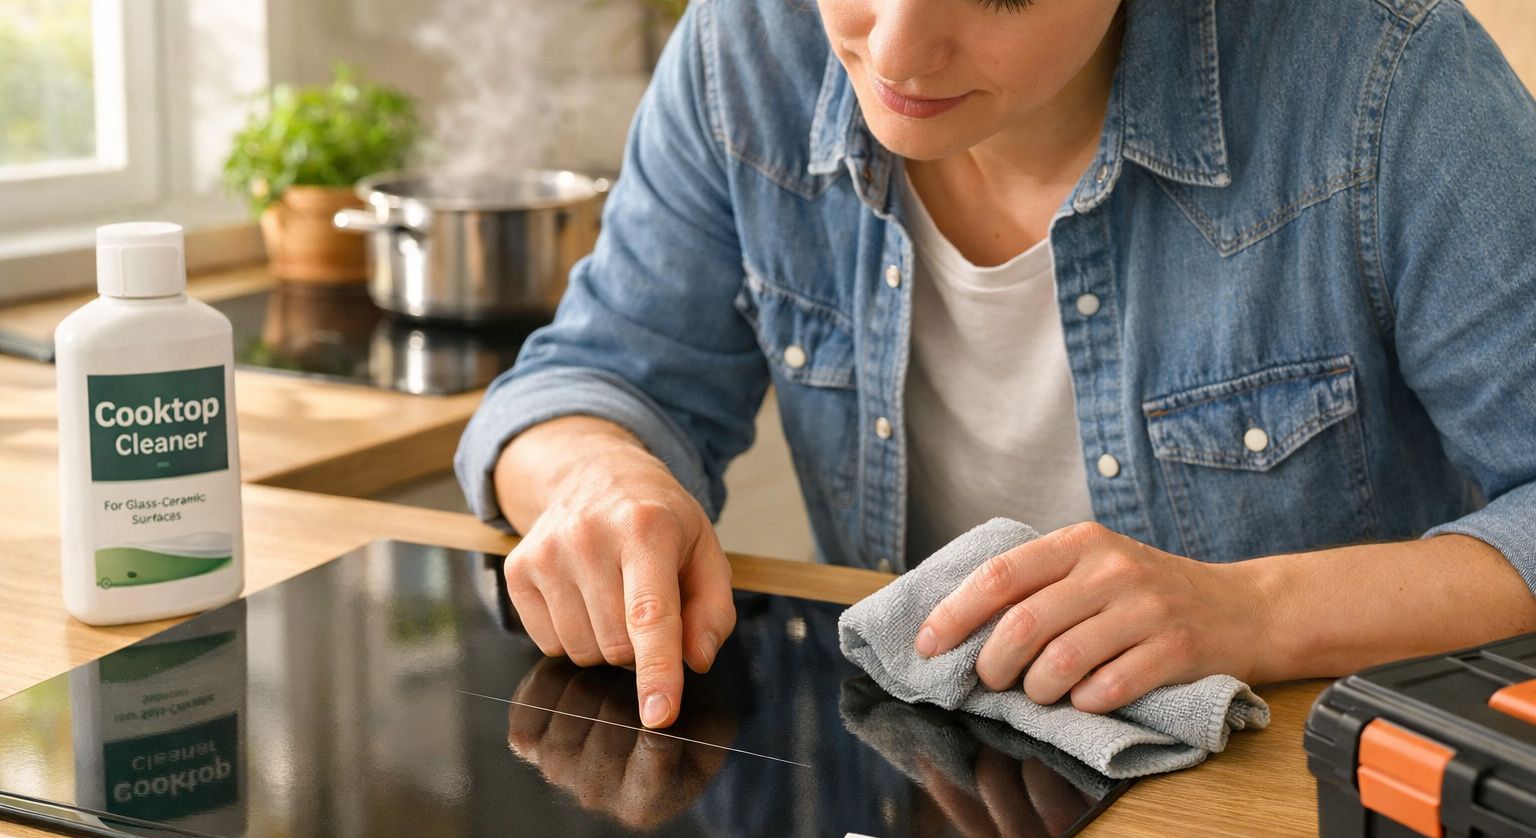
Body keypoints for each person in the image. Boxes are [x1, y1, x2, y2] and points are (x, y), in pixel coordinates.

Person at [456, 0, 1536, 730]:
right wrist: (602, 476)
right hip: (913, 820)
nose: (898, 51)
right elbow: (593, 380)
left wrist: (1252, 613)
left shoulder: (1387, 78)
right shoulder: (750, 45)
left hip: (1305, 818)